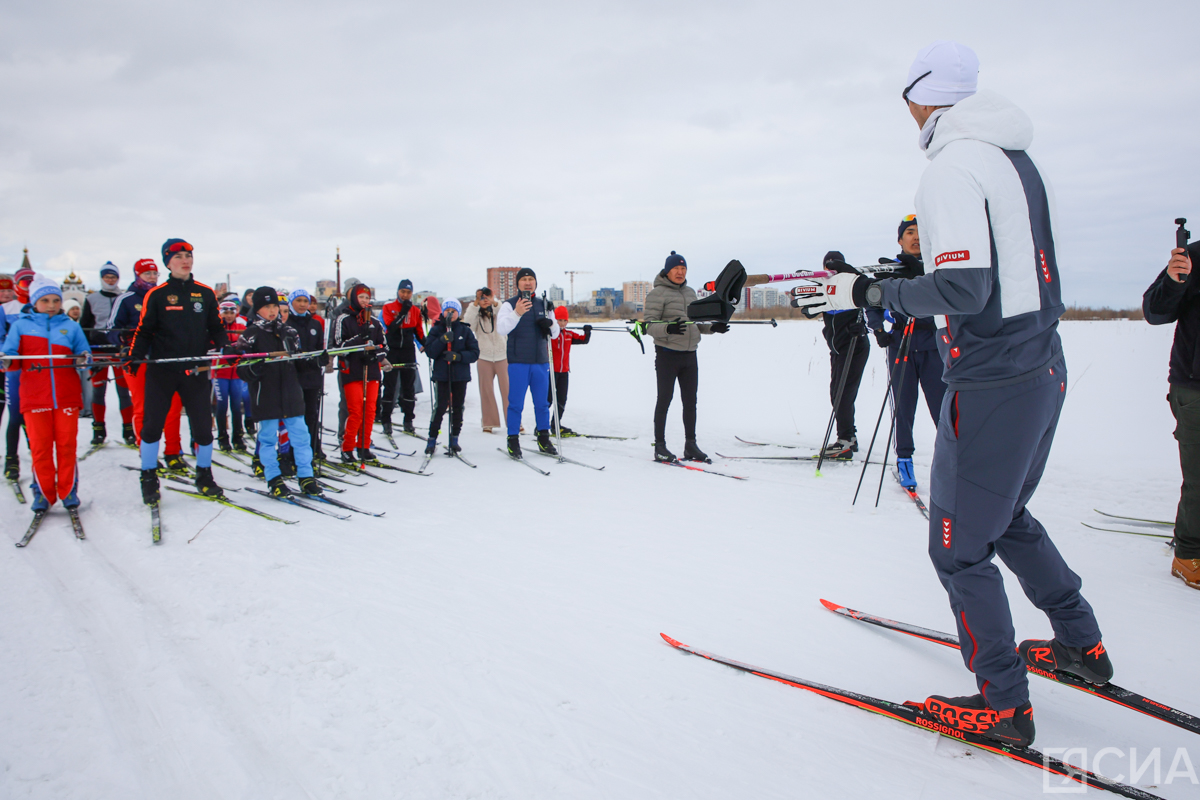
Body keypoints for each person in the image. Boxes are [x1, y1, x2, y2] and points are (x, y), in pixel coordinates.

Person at [794, 41, 1109, 747]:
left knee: (959, 550)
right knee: (1007, 515)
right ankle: (1081, 643)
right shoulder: (1013, 158)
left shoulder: (952, 168)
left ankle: (1002, 705)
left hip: (992, 382)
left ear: (921, 97)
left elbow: (964, 288)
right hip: (1041, 366)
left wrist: (868, 292)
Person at [128, 239, 228, 505]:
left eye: (189, 256)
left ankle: (204, 475)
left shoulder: (205, 293)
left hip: (195, 369)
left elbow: (216, 327)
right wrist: (135, 355)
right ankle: (148, 475)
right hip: (163, 370)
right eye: (179, 257)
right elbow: (144, 330)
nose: (185, 260)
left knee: (203, 427)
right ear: (168, 263)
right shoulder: (157, 294)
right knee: (152, 426)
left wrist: (226, 346)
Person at [865, 217, 947, 487]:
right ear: (900, 240)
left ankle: (953, 461)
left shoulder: (937, 269)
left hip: (934, 346)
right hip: (901, 345)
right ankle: (904, 461)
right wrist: (879, 329)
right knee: (903, 406)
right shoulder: (890, 270)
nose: (916, 238)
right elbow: (872, 302)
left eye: (921, 233)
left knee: (943, 408)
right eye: (910, 233)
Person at [1, 276, 91, 513]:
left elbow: (84, 353)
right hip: (34, 396)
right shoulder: (21, 325)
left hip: (66, 396)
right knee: (40, 447)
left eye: (55, 300)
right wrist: (7, 360)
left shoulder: (71, 326)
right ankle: (42, 492)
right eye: (45, 300)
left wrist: (83, 359)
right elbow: (10, 357)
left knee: (66, 445)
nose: (51, 305)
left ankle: (68, 490)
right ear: (34, 302)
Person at [1143, 229, 1200, 590]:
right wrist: (1174, 280)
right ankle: (1188, 555)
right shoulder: (1192, 258)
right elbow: (1154, 311)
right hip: (1195, 390)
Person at [234, 287, 322, 498]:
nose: (273, 311)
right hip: (266, 395)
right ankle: (273, 478)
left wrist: (315, 360)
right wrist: (254, 368)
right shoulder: (250, 334)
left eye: (275, 306)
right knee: (267, 438)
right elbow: (241, 368)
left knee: (301, 436)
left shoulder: (289, 332)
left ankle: (306, 476)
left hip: (291, 393)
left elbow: (299, 361)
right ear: (257, 309)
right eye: (267, 307)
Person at [644, 251, 726, 464]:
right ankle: (659, 447)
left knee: (690, 402)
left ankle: (691, 445)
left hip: (690, 356)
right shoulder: (657, 294)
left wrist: (712, 328)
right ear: (667, 271)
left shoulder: (690, 293)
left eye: (683, 268)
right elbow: (648, 326)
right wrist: (668, 328)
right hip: (667, 355)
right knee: (664, 400)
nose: (680, 272)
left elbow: (696, 323)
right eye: (676, 269)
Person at [110, 259, 187, 467]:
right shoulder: (126, 299)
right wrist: (124, 341)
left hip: (165, 358)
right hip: (138, 359)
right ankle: (146, 452)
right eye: (147, 274)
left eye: (155, 274)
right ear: (138, 275)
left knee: (173, 406)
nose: (152, 278)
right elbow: (112, 329)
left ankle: (173, 452)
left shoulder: (165, 295)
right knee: (143, 407)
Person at [496, 268, 559, 458]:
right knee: (515, 403)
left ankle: (543, 438)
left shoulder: (544, 304)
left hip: (540, 361)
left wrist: (550, 324)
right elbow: (501, 329)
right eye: (524, 279)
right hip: (519, 362)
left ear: (535, 283)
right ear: (518, 284)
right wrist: (517, 313)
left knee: (542, 403)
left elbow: (555, 334)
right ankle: (513, 440)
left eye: (531, 279)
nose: (528, 282)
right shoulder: (509, 305)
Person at [817, 251, 870, 460]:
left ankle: (845, 440)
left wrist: (863, 326)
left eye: (835, 265)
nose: (831, 269)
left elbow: (871, 303)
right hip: (837, 349)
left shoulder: (851, 284)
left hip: (854, 346)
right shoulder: (824, 289)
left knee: (843, 395)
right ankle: (849, 436)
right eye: (827, 265)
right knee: (836, 394)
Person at [332, 283, 389, 464]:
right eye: (361, 297)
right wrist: (359, 340)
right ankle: (347, 447)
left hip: (371, 371)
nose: (364, 301)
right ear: (354, 298)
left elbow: (383, 346)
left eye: (367, 298)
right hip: (352, 371)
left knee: (370, 410)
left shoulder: (375, 322)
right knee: (355, 411)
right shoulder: (344, 319)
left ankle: (364, 446)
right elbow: (339, 347)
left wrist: (375, 356)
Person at [80, 262, 133, 445]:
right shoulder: (92, 298)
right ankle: (98, 429)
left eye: (113, 277)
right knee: (98, 390)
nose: (110, 280)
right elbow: (85, 325)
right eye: (107, 277)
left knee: (123, 390)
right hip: (98, 350)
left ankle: (129, 429)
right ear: (101, 278)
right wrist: (86, 348)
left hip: (118, 350)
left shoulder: (124, 298)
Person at [422, 299, 479, 455]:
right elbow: (430, 352)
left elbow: (474, 353)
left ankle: (454, 439)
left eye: (453, 311)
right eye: (447, 310)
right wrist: (442, 340)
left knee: (458, 407)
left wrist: (458, 356)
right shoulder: (436, 330)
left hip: (460, 376)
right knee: (440, 407)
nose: (450, 313)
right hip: (442, 375)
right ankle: (432, 439)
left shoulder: (465, 331)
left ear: (458, 313)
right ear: (443, 312)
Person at [287, 289, 328, 463]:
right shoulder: (287, 324)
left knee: (312, 414)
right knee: (296, 416)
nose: (303, 304)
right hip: (294, 377)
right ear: (291, 303)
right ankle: (291, 453)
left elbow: (319, 348)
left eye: (306, 301)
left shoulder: (315, 324)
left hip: (312, 377)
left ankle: (313, 447)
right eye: (299, 301)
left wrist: (322, 358)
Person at [380, 279, 425, 435]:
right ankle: (386, 420)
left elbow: (419, 332)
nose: (405, 295)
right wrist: (404, 311)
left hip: (407, 351)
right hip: (392, 350)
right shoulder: (388, 307)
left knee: (408, 388)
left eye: (408, 292)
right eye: (403, 292)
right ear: (398, 292)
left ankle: (408, 419)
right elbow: (391, 327)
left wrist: (428, 345)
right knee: (390, 387)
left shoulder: (416, 311)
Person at [3, 265, 35, 481]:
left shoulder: (42, 305)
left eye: (32, 283)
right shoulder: (6, 309)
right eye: (24, 283)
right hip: (15, 371)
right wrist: (7, 354)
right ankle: (11, 459)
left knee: (36, 414)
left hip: (37, 370)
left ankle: (38, 452)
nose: (28, 287)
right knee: (15, 416)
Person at [463, 287, 509, 433]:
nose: (485, 300)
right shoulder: (476, 314)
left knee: (508, 391)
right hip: (484, 357)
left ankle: (513, 421)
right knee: (486, 392)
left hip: (502, 356)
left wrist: (494, 302)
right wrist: (475, 303)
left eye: (487, 297)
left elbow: (506, 315)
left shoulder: (498, 311)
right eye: (482, 297)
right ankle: (488, 422)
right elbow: (468, 325)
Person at [548, 305, 591, 435]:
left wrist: (587, 331)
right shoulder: (550, 335)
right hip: (551, 372)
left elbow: (584, 340)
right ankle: (541, 426)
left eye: (564, 320)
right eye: (559, 320)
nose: (562, 323)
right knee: (548, 400)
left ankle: (556, 425)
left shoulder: (568, 334)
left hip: (564, 372)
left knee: (562, 399)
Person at [213, 300, 249, 451]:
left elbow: (247, 345)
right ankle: (223, 437)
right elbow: (212, 345)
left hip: (236, 373)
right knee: (222, 405)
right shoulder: (216, 328)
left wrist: (241, 350)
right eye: (225, 313)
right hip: (220, 372)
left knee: (236, 406)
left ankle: (238, 437)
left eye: (231, 312)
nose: (228, 316)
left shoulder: (240, 327)